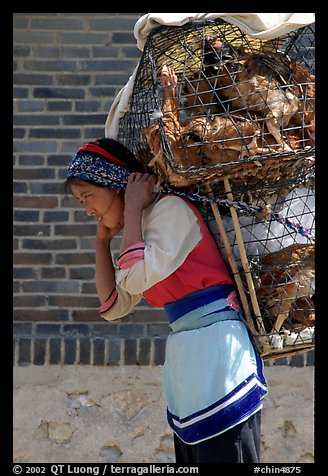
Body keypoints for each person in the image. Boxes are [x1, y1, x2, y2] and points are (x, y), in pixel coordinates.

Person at [65, 136, 268, 464]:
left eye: (89, 196)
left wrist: (132, 209)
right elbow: (114, 306)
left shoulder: (170, 210)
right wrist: (101, 245)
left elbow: (134, 278)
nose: (88, 209)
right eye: (81, 202)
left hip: (218, 353)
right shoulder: (140, 228)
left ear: (118, 185)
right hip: (190, 359)